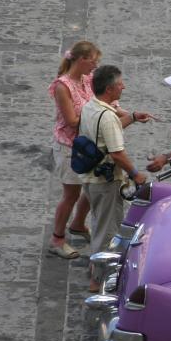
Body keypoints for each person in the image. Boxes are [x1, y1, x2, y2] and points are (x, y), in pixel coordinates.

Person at [78, 65, 151, 289]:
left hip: (90, 177)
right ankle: (97, 279)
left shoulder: (91, 107)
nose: (124, 87)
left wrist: (133, 118)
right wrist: (136, 175)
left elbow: (109, 131)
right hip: (105, 182)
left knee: (99, 222)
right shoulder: (107, 116)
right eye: (120, 84)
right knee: (107, 231)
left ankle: (96, 268)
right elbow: (117, 153)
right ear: (110, 89)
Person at [47, 41, 100, 259]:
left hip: (88, 143)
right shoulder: (63, 86)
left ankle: (78, 224)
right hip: (70, 147)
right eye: (93, 61)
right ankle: (57, 239)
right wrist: (100, 115)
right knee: (71, 195)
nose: (95, 66)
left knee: (91, 186)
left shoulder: (87, 79)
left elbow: (99, 101)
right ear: (81, 60)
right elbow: (71, 120)